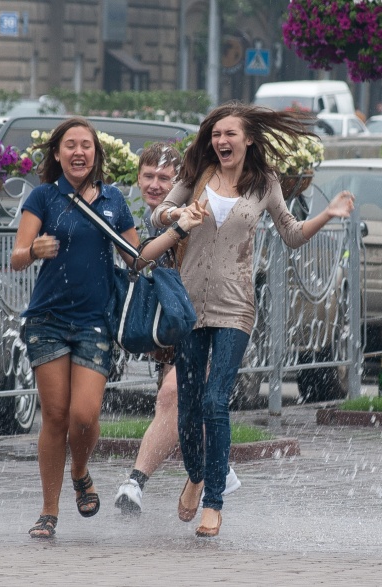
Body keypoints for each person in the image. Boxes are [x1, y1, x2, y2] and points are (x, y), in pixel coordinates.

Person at [150, 102, 354, 538]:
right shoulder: (196, 174)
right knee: (188, 406)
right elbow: (158, 212)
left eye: (230, 134)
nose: (221, 141)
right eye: (216, 134)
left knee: (214, 401)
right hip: (188, 306)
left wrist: (327, 215)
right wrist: (176, 215)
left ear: (247, 140)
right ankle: (195, 474)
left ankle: (213, 502)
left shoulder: (264, 183)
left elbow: (292, 234)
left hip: (236, 307)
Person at [10, 117, 205, 539]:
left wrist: (177, 230)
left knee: (84, 416)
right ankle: (48, 511)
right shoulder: (43, 197)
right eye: (70, 145)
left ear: (96, 154)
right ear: (58, 153)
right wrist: (34, 249)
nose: (78, 152)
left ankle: (80, 470)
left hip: (95, 322)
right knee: (55, 417)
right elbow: (17, 257)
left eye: (86, 145)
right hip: (47, 320)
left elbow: (138, 257)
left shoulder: (113, 200)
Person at [114, 143, 240, 515]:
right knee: (184, 405)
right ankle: (217, 467)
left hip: (211, 319)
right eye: (148, 176)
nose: (155, 184)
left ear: (179, 183)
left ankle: (135, 483)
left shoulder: (197, 211)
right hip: (173, 326)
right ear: (137, 178)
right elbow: (138, 262)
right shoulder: (144, 216)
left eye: (164, 178)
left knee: (173, 396)